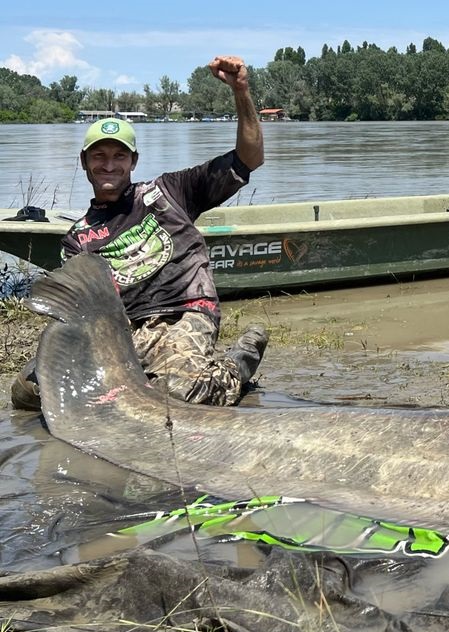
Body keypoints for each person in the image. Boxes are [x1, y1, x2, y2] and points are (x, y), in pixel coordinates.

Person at [11, 55, 268, 410]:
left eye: (119, 156)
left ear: (133, 161)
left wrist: (241, 91)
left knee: (178, 394)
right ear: (84, 162)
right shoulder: (77, 239)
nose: (109, 165)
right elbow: (83, 310)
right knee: (29, 392)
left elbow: (249, 158)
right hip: (124, 332)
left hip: (185, 312)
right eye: (99, 156)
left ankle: (236, 365)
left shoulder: (170, 191)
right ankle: (145, 375)